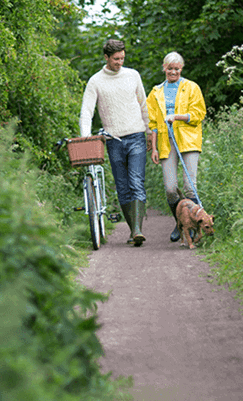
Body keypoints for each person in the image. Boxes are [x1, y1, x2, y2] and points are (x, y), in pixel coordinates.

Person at [79, 39, 150, 246]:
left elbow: (143, 104)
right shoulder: (95, 81)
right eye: (116, 59)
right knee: (122, 186)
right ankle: (132, 229)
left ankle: (137, 230)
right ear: (106, 58)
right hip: (113, 140)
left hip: (136, 135)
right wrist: (85, 138)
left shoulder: (133, 75)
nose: (119, 62)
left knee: (136, 181)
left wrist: (149, 131)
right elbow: (86, 112)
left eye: (122, 58)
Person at [146, 51, 207, 242]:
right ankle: (180, 223)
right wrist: (154, 148)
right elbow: (154, 124)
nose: (173, 72)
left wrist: (177, 117)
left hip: (188, 140)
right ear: (164, 68)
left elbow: (199, 114)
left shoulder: (191, 87)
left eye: (177, 69)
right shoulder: (156, 92)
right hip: (166, 142)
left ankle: (195, 226)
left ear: (181, 69)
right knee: (171, 188)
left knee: (190, 187)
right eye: (170, 68)